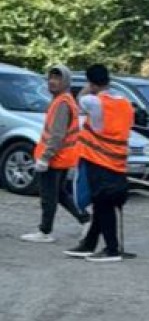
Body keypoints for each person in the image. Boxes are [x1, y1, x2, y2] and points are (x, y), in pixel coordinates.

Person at [64, 64, 133, 263]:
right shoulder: (125, 103)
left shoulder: (94, 102)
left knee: (103, 204)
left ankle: (111, 249)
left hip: (98, 160)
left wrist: (90, 87)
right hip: (118, 161)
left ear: (91, 82)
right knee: (104, 203)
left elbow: (80, 99)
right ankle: (89, 244)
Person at [21, 64, 89, 244]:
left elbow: (57, 135)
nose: (52, 81)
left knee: (49, 197)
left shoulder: (62, 103)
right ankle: (86, 220)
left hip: (54, 158)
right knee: (60, 195)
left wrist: (45, 157)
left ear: (65, 81)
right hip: (62, 157)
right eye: (50, 77)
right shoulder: (64, 100)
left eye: (57, 78)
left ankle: (45, 231)